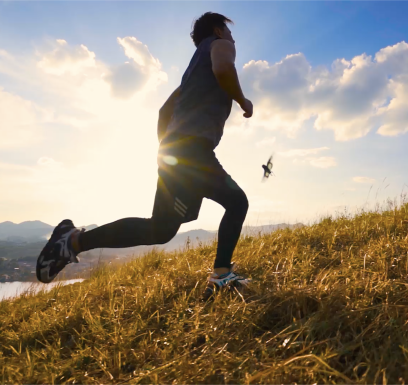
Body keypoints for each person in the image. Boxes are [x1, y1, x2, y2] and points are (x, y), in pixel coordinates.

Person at [36, 12, 254, 300]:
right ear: (217, 30)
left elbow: (163, 112)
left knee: (160, 230)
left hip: (174, 154)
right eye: (229, 32)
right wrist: (243, 100)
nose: (232, 38)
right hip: (191, 151)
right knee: (237, 202)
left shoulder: (191, 74)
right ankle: (222, 276)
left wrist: (166, 152)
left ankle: (72, 241)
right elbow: (225, 69)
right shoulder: (219, 44)